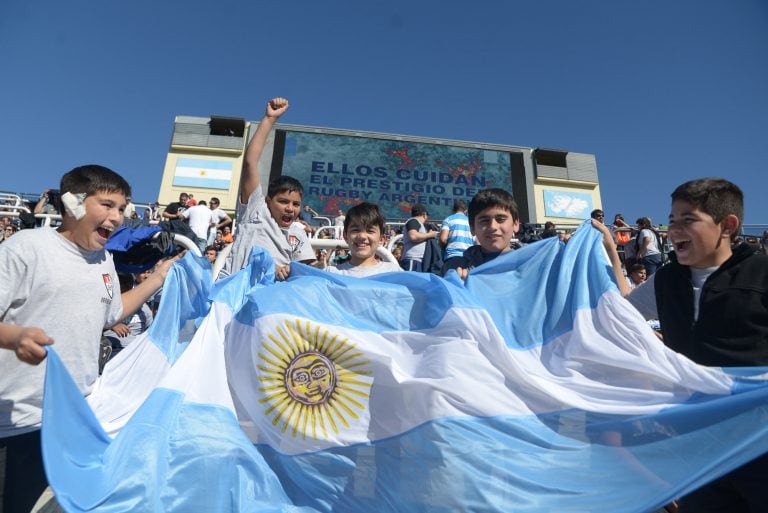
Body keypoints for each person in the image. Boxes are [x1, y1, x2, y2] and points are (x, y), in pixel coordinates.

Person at [0, 165, 178, 513]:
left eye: (122, 209)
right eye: (107, 205)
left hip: (73, 421)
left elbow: (113, 313)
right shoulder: (26, 247)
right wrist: (15, 336)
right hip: (16, 422)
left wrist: (156, 279)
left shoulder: (105, 260)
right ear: (73, 204)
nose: (117, 217)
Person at [626, 178, 768, 513]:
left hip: (760, 441)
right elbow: (613, 315)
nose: (673, 230)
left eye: (688, 220)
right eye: (671, 221)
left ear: (727, 226)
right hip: (701, 450)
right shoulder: (666, 280)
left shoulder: (762, 273)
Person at [444, 188, 626, 289]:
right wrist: (454, 285)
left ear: (516, 224)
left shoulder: (536, 262)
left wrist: (568, 251)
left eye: (500, 219)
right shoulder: (455, 266)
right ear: (472, 228)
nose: (493, 226)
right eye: (484, 220)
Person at [218, 97, 315, 281]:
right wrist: (270, 119)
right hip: (233, 293)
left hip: (270, 301)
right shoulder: (256, 211)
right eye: (283, 201)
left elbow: (305, 273)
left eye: (296, 204)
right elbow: (250, 163)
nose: (290, 208)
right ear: (267, 201)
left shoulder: (298, 234)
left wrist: (285, 271)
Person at [326, 202, 403, 277]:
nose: (362, 236)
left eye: (370, 231)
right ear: (345, 236)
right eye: (355, 230)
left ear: (381, 239)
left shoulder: (394, 273)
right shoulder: (331, 274)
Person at [400, 203, 439, 272]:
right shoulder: (413, 221)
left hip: (417, 260)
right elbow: (413, 236)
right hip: (412, 260)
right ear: (424, 214)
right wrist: (430, 235)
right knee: (410, 282)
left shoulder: (418, 223)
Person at [439, 199, 473, 270]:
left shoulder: (448, 220)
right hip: (469, 259)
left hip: (452, 257)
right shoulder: (471, 222)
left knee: (451, 280)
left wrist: (442, 248)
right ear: (466, 211)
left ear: (453, 210)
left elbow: (443, 239)